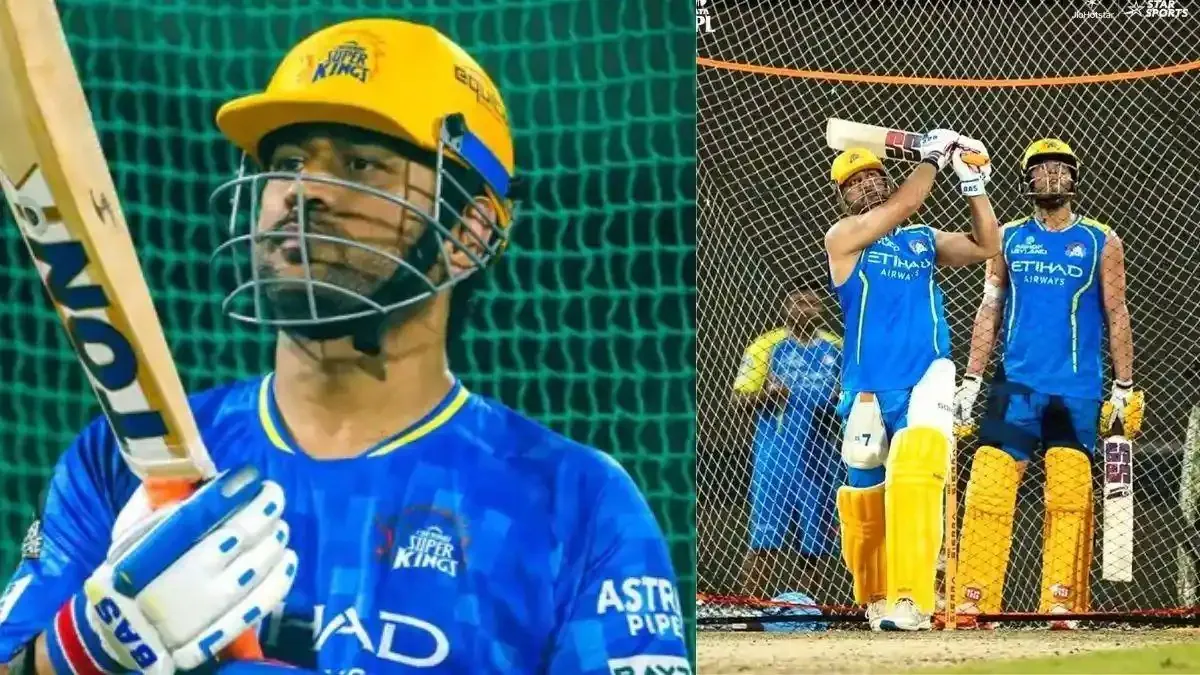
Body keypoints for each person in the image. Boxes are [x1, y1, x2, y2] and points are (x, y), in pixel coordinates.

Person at [0, 18, 688, 675]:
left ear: (469, 232)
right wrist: (79, 652)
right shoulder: (126, 459)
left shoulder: (577, 500)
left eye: (360, 165)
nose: (305, 192)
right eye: (289, 161)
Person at [952, 138, 1143, 629]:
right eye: (1041, 169)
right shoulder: (1008, 237)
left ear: (1074, 178)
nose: (1051, 176)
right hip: (1014, 386)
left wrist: (1125, 386)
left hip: (1075, 388)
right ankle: (976, 599)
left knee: (1069, 493)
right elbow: (989, 307)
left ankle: (1061, 601)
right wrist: (972, 379)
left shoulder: (1103, 239)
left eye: (1061, 168)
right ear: (1027, 180)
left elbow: (1117, 311)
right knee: (990, 487)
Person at [824, 133, 1000, 631]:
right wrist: (931, 157)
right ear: (844, 198)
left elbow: (988, 245)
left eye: (871, 175)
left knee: (917, 473)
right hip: (866, 386)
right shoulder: (843, 237)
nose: (864, 186)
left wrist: (973, 185)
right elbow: (910, 198)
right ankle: (876, 594)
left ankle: (912, 599)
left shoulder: (922, 239)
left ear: (884, 175)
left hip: (927, 374)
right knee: (864, 491)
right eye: (852, 183)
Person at [731, 287, 842, 607]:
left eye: (811, 302)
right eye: (797, 302)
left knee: (815, 543)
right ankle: (749, 612)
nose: (804, 308)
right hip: (776, 455)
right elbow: (738, 399)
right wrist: (770, 394)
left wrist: (839, 401)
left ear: (820, 307)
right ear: (785, 306)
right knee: (765, 539)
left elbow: (851, 396)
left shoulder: (837, 348)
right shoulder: (765, 346)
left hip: (822, 456)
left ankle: (800, 609)